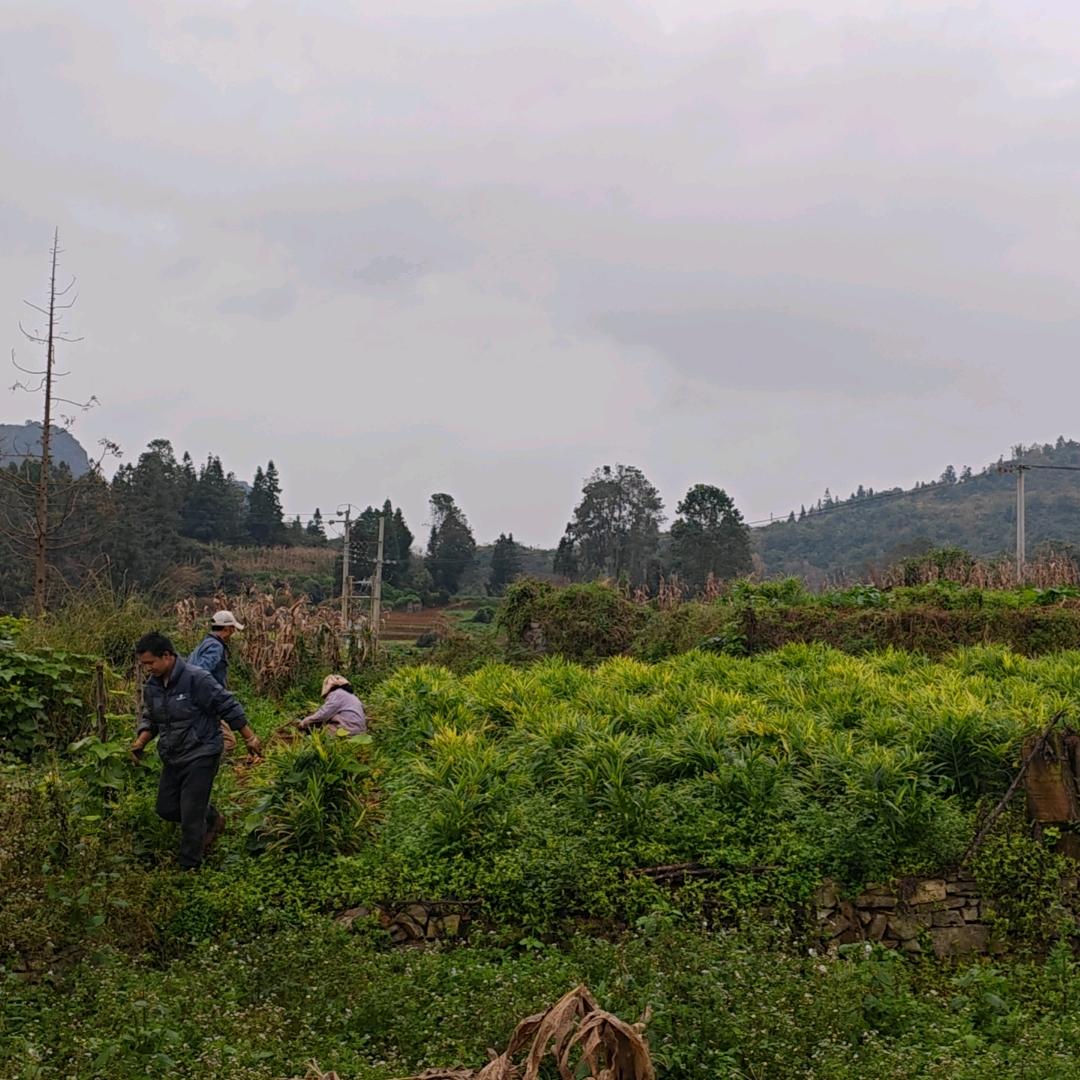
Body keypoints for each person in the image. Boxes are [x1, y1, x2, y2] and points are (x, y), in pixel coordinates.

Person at [130, 632, 262, 870]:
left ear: (167, 656)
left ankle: (189, 867)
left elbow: (227, 705)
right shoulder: (153, 686)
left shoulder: (196, 678)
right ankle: (212, 818)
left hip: (202, 751)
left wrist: (250, 737)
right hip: (173, 754)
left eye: (150, 663)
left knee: (191, 816)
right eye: (143, 664)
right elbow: (151, 717)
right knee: (166, 808)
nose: (148, 668)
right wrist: (140, 742)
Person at [188, 609, 244, 753]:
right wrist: (216, 694)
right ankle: (206, 766)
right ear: (226, 628)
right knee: (228, 741)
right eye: (233, 628)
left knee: (207, 735)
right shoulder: (215, 646)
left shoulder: (205, 643)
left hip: (197, 699)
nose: (233, 632)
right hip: (209, 699)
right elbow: (201, 672)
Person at [298, 674, 368, 735]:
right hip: (360, 731)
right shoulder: (351, 695)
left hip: (349, 731)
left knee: (321, 731)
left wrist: (304, 722)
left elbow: (323, 715)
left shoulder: (337, 694)